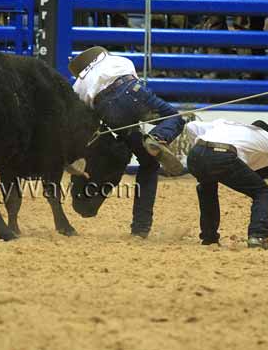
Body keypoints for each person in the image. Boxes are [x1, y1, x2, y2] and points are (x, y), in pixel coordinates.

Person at [69, 46, 185, 238]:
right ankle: (158, 138)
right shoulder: (120, 60)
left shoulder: (79, 84)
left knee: (145, 158)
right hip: (132, 91)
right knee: (173, 118)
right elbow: (133, 84)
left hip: (106, 109)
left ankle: (140, 229)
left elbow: (86, 116)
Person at [185, 118, 268, 249]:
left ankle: (209, 238)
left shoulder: (225, 123)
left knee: (207, 186)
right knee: (263, 192)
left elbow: (191, 126)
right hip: (224, 156)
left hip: (195, 155)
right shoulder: (266, 137)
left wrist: (203, 152)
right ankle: (258, 236)